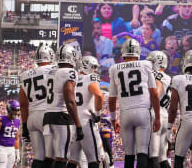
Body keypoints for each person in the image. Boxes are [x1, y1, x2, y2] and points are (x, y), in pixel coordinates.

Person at [108, 38, 161, 168]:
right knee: (142, 151)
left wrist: (114, 119)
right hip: (143, 112)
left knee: (129, 154)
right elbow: (154, 94)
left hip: (125, 113)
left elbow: (112, 98)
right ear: (138, 51)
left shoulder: (114, 68)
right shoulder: (146, 65)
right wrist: (158, 117)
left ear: (122, 52)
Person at [45, 45, 83, 168]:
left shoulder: (51, 72)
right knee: (62, 156)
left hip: (48, 115)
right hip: (61, 116)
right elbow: (70, 101)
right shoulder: (70, 72)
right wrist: (78, 124)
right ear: (71, 57)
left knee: (49, 157)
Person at [19, 45, 55, 168]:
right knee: (53, 156)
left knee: (39, 156)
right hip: (48, 115)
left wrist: (24, 125)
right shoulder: (54, 69)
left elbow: (23, 104)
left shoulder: (25, 75)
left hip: (32, 118)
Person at [68, 56, 105, 168]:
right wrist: (98, 115)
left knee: (72, 160)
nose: (95, 70)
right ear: (85, 65)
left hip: (72, 123)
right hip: (86, 122)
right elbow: (99, 94)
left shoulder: (72, 79)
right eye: (93, 67)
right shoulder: (91, 78)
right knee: (94, 159)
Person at [147, 50, 172, 168]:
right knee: (163, 157)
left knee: (153, 156)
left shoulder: (157, 75)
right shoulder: (169, 78)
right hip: (164, 115)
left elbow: (156, 93)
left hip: (155, 114)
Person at [0, 100, 21, 168]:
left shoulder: (17, 121)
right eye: (15, 110)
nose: (17, 112)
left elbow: (16, 138)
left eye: (18, 110)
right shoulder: (0, 120)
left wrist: (17, 152)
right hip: (1, 148)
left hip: (11, 149)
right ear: (10, 109)